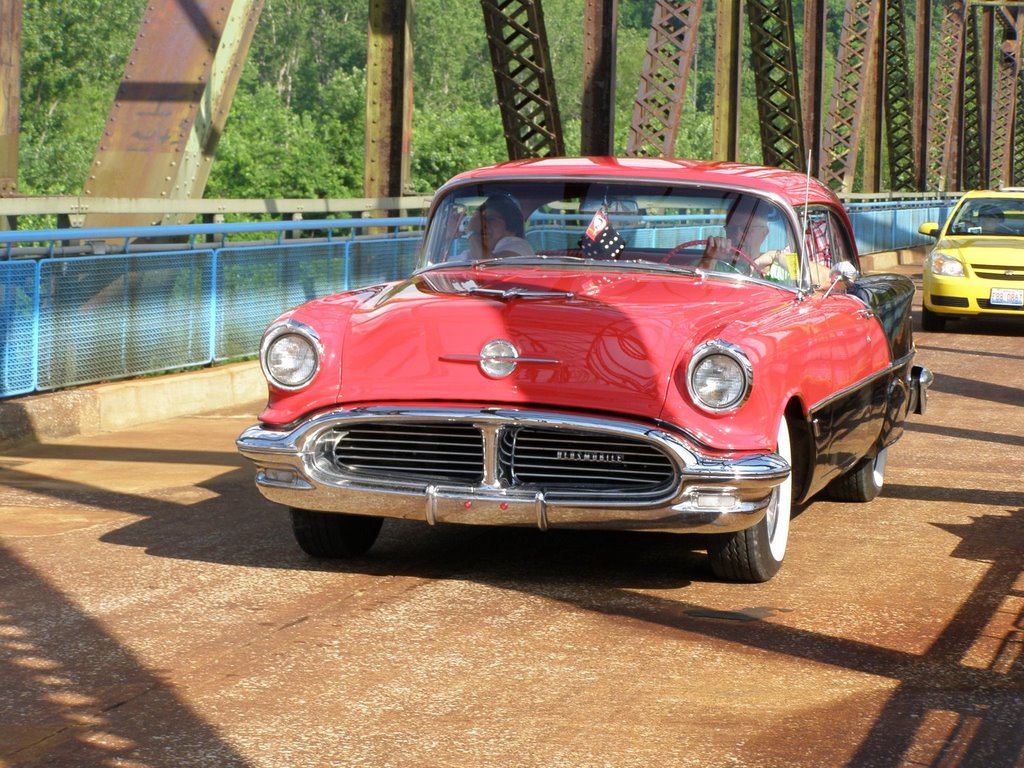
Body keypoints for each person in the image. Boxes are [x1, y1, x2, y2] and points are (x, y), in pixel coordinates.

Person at [702, 206, 795, 280]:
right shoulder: (717, 266)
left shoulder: (777, 268)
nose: (737, 236)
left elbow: (808, 274)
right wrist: (709, 258)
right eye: (732, 229)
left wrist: (776, 255)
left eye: (747, 229)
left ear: (764, 233)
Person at [465, 194, 534, 259]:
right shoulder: (477, 251)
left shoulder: (519, 246)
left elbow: (488, 266)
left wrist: (471, 232)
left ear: (512, 228)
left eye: (491, 219)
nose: (483, 225)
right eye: (481, 221)